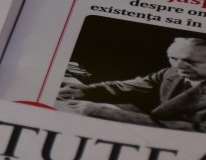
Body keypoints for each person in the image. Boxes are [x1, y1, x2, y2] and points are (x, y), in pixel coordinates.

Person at [57, 36, 206, 130]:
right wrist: (86, 91)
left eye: (191, 61)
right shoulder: (170, 72)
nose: (178, 66)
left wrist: (101, 111)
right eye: (173, 58)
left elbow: (194, 129)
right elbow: (128, 86)